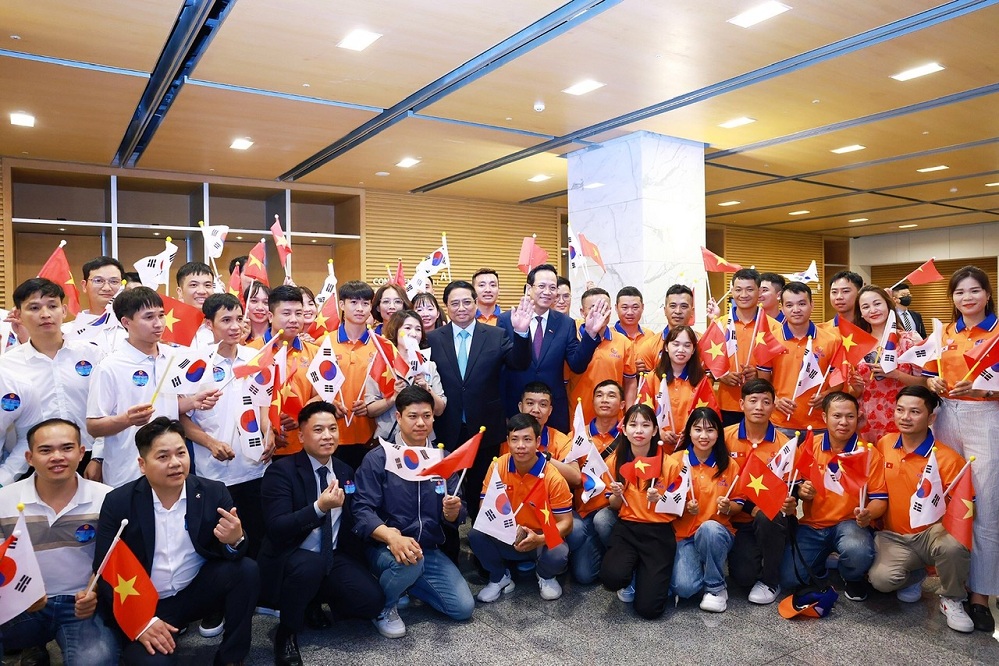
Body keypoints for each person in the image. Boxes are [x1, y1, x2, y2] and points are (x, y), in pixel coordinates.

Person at [94, 417, 259, 665]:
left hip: (193, 591)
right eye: (163, 457)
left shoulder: (213, 492)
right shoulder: (118, 502)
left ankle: (231, 658)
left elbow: (235, 549)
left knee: (246, 570)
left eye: (181, 453)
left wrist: (235, 540)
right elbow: (104, 568)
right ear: (142, 464)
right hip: (142, 601)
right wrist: (142, 621)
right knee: (153, 662)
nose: (175, 463)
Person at [258, 402, 384, 665]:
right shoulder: (281, 471)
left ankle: (312, 600)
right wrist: (319, 508)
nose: (327, 436)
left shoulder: (345, 470)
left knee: (371, 601)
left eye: (332, 429)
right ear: (301, 436)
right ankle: (286, 632)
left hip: (332, 555)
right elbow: (277, 528)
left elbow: (353, 517)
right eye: (318, 430)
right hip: (293, 554)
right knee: (309, 566)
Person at [353, 386, 474, 639]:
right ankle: (384, 606)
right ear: (398, 417)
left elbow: (458, 511)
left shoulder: (442, 459)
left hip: (427, 549)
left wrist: (453, 512)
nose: (421, 423)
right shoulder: (379, 458)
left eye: (427, 416)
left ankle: (404, 584)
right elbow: (362, 510)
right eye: (413, 416)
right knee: (409, 563)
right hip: (386, 546)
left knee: (462, 608)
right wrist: (391, 537)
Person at [0, 418, 118, 664]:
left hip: (80, 605)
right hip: (20, 603)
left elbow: (114, 558)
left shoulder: (107, 499)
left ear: (81, 452)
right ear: (29, 457)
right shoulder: (5, 500)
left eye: (67, 448)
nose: (57, 457)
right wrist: (20, 594)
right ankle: (32, 645)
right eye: (45, 450)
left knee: (96, 661)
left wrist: (94, 591)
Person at [925, 265, 999, 632]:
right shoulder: (944, 333)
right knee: (948, 500)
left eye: (974, 290)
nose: (967, 298)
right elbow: (928, 373)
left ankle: (981, 595)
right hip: (945, 417)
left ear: (987, 294)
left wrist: (985, 390)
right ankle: (951, 589)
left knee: (985, 505)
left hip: (985, 417)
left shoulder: (997, 332)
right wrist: (934, 382)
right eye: (959, 292)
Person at [86, 287, 219, 487]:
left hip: (172, 469)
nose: (158, 324)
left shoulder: (173, 357)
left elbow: (167, 407)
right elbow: (93, 426)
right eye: (149, 317)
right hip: (128, 472)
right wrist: (126, 419)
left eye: (161, 315)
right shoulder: (109, 367)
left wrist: (192, 402)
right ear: (126, 322)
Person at [869, 386, 974, 633]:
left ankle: (952, 599)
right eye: (900, 410)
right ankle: (915, 575)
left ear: (931, 418)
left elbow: (965, 509)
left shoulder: (948, 458)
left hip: (932, 534)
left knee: (953, 545)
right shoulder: (884, 444)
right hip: (895, 536)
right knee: (881, 581)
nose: (905, 417)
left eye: (915, 412)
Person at [425, 280, 532, 517]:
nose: (461, 308)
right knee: (446, 490)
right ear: (446, 307)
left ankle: (479, 536)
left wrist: (522, 333)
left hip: (485, 428)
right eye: (455, 303)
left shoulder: (496, 335)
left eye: (467, 302)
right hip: (446, 426)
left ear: (475, 303)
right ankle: (449, 537)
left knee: (481, 489)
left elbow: (519, 363)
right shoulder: (432, 339)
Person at [187, 294, 273, 560]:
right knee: (223, 548)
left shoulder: (255, 357)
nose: (235, 326)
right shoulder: (196, 363)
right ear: (208, 324)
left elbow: (265, 401)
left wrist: (269, 431)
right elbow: (180, 418)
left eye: (238, 319)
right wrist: (211, 443)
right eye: (226, 320)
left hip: (256, 468)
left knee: (258, 543)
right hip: (215, 474)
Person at [780, 392, 886, 601]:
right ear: (824, 417)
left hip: (850, 524)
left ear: (857, 418)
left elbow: (880, 500)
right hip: (813, 525)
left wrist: (868, 513)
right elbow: (796, 484)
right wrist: (802, 491)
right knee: (789, 579)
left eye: (850, 416)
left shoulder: (868, 453)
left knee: (857, 551)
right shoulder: (810, 445)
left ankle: (852, 576)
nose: (844, 422)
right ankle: (824, 562)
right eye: (837, 416)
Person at [0, 278, 104, 483]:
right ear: (18, 315)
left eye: (52, 306)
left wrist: (99, 457)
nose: (45, 314)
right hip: (31, 461)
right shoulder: (7, 365)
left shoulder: (92, 354)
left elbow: (107, 409)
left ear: (64, 311)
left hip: (89, 457)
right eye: (34, 308)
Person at [468, 414, 572, 602]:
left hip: (540, 537)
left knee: (559, 552)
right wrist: (505, 527)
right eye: (514, 439)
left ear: (538, 442)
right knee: (476, 533)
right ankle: (499, 577)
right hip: (508, 533)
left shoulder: (553, 477)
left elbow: (566, 523)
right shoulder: (498, 466)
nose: (520, 445)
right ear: (507, 441)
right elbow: (485, 506)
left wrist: (539, 539)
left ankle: (545, 575)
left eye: (527, 439)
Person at [499, 264, 606, 432]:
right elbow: (507, 364)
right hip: (516, 406)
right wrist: (520, 332)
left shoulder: (565, 323)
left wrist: (591, 334)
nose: (547, 292)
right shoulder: (507, 320)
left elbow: (577, 365)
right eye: (542, 286)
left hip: (553, 409)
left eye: (552, 287)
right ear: (529, 288)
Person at [600, 403, 681, 619]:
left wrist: (661, 500)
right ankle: (632, 573)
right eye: (633, 425)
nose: (639, 431)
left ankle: (650, 577)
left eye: (645, 425)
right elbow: (613, 505)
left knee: (649, 610)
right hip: (627, 529)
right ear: (624, 429)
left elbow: (678, 508)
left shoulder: (670, 464)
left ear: (654, 431)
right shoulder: (615, 461)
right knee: (611, 578)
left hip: (659, 532)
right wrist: (617, 494)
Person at [724, 379, 791, 605]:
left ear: (774, 406)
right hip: (738, 518)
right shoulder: (725, 437)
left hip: (771, 516)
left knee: (767, 516)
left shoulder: (784, 444)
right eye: (753, 401)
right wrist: (748, 508)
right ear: (741, 404)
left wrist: (794, 499)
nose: (759, 407)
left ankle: (771, 580)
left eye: (766, 402)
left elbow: (790, 486)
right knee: (743, 577)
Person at [669, 407, 740, 613]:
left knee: (709, 529)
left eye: (710, 430)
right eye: (698, 429)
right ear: (689, 432)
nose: (703, 436)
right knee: (684, 588)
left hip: (717, 533)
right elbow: (665, 503)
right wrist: (682, 507)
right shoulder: (675, 461)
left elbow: (739, 504)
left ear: (718, 433)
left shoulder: (729, 465)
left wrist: (728, 507)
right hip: (684, 535)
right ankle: (702, 565)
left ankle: (715, 588)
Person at [246, 285, 319, 460]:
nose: (294, 319)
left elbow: (322, 394)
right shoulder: (250, 353)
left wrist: (300, 415)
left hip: (304, 446)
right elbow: (244, 400)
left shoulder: (315, 352)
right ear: (270, 316)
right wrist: (269, 426)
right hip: (262, 449)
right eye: (286, 313)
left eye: (298, 313)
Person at [566, 380, 624, 584]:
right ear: (593, 402)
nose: (604, 400)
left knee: (602, 521)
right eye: (599, 395)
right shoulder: (577, 436)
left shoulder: (630, 436)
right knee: (584, 576)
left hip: (615, 512)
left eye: (611, 395)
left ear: (622, 404)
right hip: (585, 512)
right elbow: (571, 477)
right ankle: (604, 551)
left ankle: (621, 558)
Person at [852, 285, 925, 442]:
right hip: (866, 419)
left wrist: (896, 374)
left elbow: (925, 383)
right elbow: (854, 391)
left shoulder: (910, 339)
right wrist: (856, 388)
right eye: (866, 307)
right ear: (861, 313)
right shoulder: (856, 344)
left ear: (888, 305)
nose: (873, 310)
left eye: (877, 303)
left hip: (903, 417)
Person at [770, 282, 843, 434]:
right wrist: (775, 400)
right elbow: (761, 381)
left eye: (802, 304)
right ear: (782, 308)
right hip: (780, 422)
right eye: (789, 305)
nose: (796, 310)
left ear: (812, 305)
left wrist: (826, 395)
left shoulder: (832, 340)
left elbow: (838, 381)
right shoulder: (770, 340)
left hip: (820, 424)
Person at [365, 310, 446, 441]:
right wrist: (392, 398)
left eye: (418, 329)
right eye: (407, 328)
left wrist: (427, 389)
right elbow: (370, 410)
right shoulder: (380, 363)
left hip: (422, 438)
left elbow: (439, 410)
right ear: (395, 331)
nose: (413, 333)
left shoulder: (429, 366)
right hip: (388, 439)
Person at [323, 281, 379, 470]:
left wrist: (373, 405)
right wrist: (328, 402)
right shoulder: (323, 343)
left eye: (365, 303)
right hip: (331, 436)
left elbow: (391, 390)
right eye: (354, 302)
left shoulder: (383, 346)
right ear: (341, 304)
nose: (360, 308)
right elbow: (311, 387)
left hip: (372, 436)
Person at [713, 269, 777, 427]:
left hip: (761, 406)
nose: (743, 295)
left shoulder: (774, 327)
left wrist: (759, 374)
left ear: (759, 291)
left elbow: (781, 368)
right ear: (732, 291)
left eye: (749, 289)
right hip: (726, 404)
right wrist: (721, 375)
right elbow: (707, 364)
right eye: (738, 289)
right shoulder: (720, 325)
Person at [566, 288, 637, 422]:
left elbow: (630, 382)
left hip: (614, 420)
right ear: (582, 312)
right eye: (593, 308)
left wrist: (629, 415)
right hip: (579, 418)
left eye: (604, 308)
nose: (600, 312)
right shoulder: (571, 340)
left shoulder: (623, 342)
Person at [645, 325, 704, 449]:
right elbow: (643, 412)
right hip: (658, 446)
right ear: (666, 347)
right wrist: (659, 432)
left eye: (687, 345)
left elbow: (708, 416)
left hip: (691, 447)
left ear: (693, 350)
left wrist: (690, 433)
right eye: (676, 344)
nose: (681, 350)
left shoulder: (701, 380)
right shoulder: (653, 377)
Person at [635, 284, 695, 373]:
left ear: (692, 311)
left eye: (684, 306)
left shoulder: (703, 343)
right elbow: (646, 381)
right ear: (665, 310)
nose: (678, 311)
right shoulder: (649, 346)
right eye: (673, 306)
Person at [174, 262, 216, 348]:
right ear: (180, 292)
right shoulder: (167, 328)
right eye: (194, 285)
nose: (202, 291)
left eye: (207, 285)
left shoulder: (222, 326)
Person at [614, 286, 654, 373]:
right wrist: (631, 369)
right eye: (625, 308)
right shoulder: (608, 336)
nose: (630, 312)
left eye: (635, 307)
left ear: (642, 307)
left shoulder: (650, 336)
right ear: (616, 308)